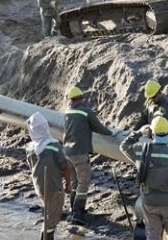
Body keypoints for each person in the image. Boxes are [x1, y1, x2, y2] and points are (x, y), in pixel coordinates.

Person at [120, 116, 168, 240]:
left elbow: (124, 146)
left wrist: (138, 133)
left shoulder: (140, 151)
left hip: (149, 202)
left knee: (152, 235)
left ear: (152, 133)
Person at [62, 85, 114, 224]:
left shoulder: (68, 111)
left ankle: (73, 209)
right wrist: (112, 133)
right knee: (83, 183)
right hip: (79, 152)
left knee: (74, 182)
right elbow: (98, 127)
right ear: (82, 98)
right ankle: (78, 214)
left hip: (67, 152)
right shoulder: (86, 111)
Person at [26, 112, 72, 240]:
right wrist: (68, 183)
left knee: (48, 213)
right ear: (45, 127)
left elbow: (31, 166)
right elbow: (64, 167)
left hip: (39, 187)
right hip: (53, 186)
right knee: (52, 219)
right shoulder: (54, 146)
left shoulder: (29, 148)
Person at [133, 79, 168, 149]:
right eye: (149, 98)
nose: (151, 99)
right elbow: (144, 118)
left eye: (153, 97)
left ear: (159, 93)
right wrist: (134, 131)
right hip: (154, 140)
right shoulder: (150, 103)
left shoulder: (167, 108)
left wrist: (159, 134)